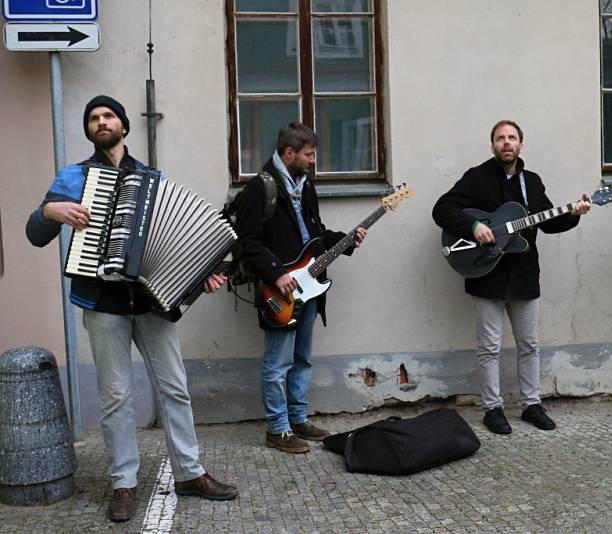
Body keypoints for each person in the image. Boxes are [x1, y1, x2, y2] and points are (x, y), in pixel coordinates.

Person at [26, 95, 238, 522]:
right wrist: (49, 209)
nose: (101, 122)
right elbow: (35, 234)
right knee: (115, 397)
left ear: (124, 125)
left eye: (108, 116)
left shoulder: (151, 181)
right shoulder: (74, 177)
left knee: (175, 388)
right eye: (93, 118)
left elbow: (178, 242)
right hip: (102, 303)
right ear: (88, 129)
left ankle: (190, 473)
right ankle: (123, 482)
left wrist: (203, 277)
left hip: (151, 303)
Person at [432, 120, 591, 435]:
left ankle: (532, 405)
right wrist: (473, 227)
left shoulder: (531, 182)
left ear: (521, 144)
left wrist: (573, 213)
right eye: (500, 138)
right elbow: (442, 209)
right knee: (489, 346)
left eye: (512, 138)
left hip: (523, 275)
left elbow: (548, 223)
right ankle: (493, 409)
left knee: (529, 344)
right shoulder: (476, 178)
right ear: (492, 145)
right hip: (485, 271)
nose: (506, 143)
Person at [236, 122, 366, 454]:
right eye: (309, 155)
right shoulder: (260, 188)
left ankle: (298, 419)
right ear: (289, 153)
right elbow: (247, 243)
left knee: (302, 358)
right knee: (277, 362)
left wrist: (347, 241)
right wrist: (276, 274)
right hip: (278, 291)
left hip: (309, 288)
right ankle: (277, 429)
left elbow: (315, 235)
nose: (312, 161)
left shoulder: (305, 186)